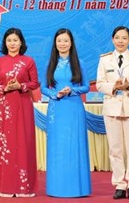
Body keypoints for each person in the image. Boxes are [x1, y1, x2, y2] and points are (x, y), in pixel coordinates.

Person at [96, 26, 129, 200]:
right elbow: (99, 84)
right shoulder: (105, 60)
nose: (120, 41)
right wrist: (114, 86)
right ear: (112, 39)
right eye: (117, 38)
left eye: (124, 38)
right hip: (112, 107)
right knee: (115, 149)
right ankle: (119, 184)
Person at [0, 27, 39, 198]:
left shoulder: (29, 61)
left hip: (23, 105)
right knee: (5, 144)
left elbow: (34, 83)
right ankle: (3, 186)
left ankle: (24, 187)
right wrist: (4, 88)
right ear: (5, 43)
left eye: (15, 40)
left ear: (21, 42)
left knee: (23, 142)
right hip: (4, 106)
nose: (12, 43)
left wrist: (21, 86)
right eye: (9, 40)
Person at [41, 28, 91, 198]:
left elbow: (86, 87)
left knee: (74, 145)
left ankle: (77, 188)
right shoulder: (50, 64)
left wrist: (72, 91)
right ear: (55, 44)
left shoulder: (79, 63)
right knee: (57, 147)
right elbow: (43, 87)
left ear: (71, 43)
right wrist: (55, 94)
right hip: (56, 108)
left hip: (74, 108)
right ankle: (56, 188)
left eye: (65, 41)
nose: (62, 44)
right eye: (59, 41)